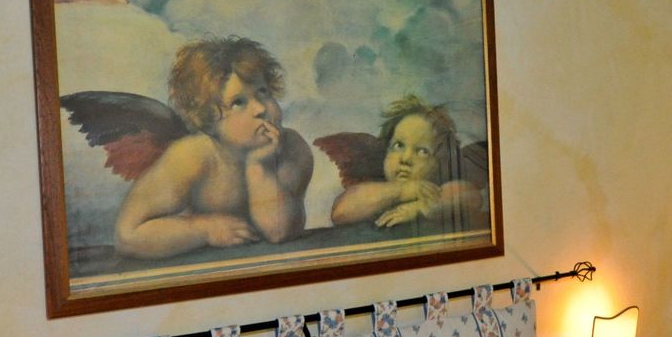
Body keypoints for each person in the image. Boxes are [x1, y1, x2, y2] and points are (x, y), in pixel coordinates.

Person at [112, 37, 312, 257]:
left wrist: (258, 166)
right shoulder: (192, 156)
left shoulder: (291, 148)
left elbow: (279, 232)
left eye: (263, 92)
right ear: (207, 118)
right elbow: (128, 235)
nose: (259, 109)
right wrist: (205, 230)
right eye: (238, 102)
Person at [328, 95, 485, 229]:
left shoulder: (438, 188)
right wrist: (402, 191)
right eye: (398, 146)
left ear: (442, 163)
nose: (405, 159)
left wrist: (420, 208)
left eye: (422, 151)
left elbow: (471, 196)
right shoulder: (378, 190)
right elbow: (340, 212)